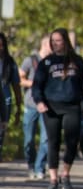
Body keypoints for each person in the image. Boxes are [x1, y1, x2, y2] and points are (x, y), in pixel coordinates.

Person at [30, 27, 83, 189]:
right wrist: (39, 102)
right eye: (53, 41)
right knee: (53, 142)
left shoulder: (77, 61)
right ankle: (53, 179)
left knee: (71, 141)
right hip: (51, 107)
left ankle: (65, 174)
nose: (55, 44)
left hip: (72, 106)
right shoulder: (46, 63)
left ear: (65, 41)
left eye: (58, 40)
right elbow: (37, 86)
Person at [19, 35, 51, 180]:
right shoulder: (30, 60)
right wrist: (34, 83)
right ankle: (31, 165)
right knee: (29, 140)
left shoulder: (53, 62)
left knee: (46, 139)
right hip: (31, 105)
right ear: (45, 45)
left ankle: (40, 168)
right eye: (52, 44)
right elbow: (19, 79)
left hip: (47, 105)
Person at [0, 32, 24, 157]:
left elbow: (16, 85)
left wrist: (19, 107)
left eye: (2, 46)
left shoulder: (9, 62)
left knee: (0, 134)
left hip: (5, 102)